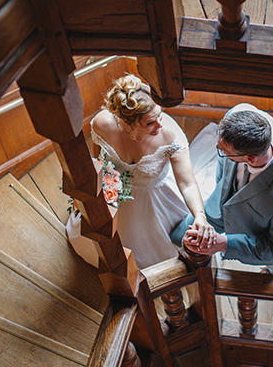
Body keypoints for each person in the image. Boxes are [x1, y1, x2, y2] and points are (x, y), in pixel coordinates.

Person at [66, 75, 211, 268]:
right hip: (117, 197)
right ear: (127, 123)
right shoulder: (103, 124)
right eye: (150, 123)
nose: (160, 124)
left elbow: (188, 183)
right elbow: (98, 161)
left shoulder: (169, 135)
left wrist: (200, 215)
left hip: (157, 200)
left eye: (159, 114)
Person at [171, 104, 273, 274]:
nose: (218, 151)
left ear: (250, 159)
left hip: (253, 230)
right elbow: (222, 174)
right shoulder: (239, 113)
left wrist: (222, 243)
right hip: (217, 208)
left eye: (223, 151)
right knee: (178, 236)